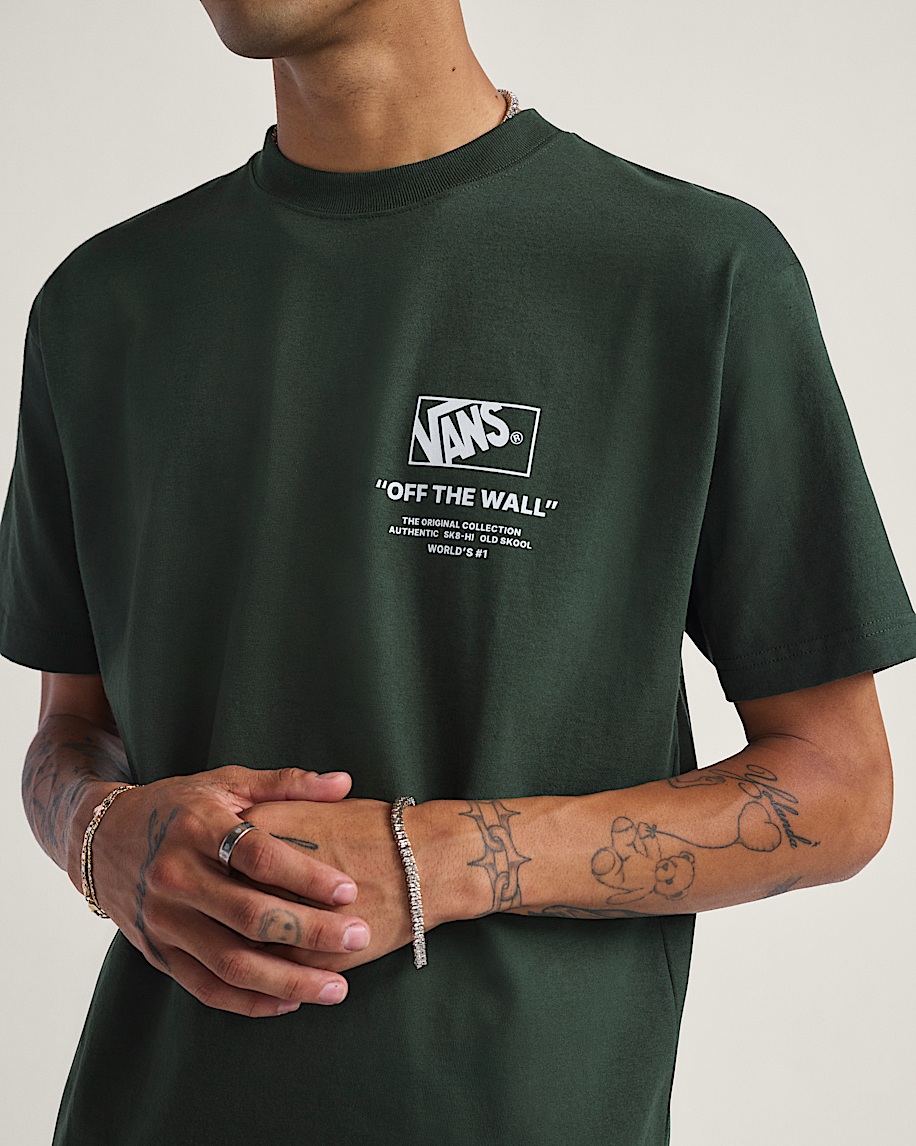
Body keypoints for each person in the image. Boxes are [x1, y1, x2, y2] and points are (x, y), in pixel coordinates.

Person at [2, 1, 914, 1143]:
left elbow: (841, 789)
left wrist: (445, 859)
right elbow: (70, 734)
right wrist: (98, 831)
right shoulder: (103, 305)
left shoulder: (693, 274)